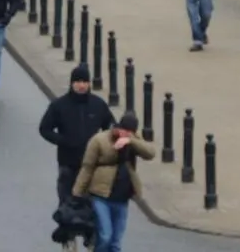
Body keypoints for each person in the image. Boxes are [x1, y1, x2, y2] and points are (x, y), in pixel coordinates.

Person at [72, 112, 156, 252]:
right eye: (124, 131)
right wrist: (77, 192)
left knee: (115, 243)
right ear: (118, 127)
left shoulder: (133, 140)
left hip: (122, 198)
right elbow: (87, 167)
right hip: (101, 196)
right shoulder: (99, 140)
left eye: (130, 133)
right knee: (105, 236)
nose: (125, 134)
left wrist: (131, 141)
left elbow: (150, 153)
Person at [39, 65, 115, 209]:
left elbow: (110, 127)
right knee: (66, 204)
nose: (81, 85)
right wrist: (63, 141)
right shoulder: (59, 105)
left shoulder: (98, 105)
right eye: (78, 82)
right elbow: (45, 129)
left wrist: (104, 146)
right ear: (72, 83)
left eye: (84, 82)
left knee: (91, 206)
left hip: (92, 165)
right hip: (68, 163)